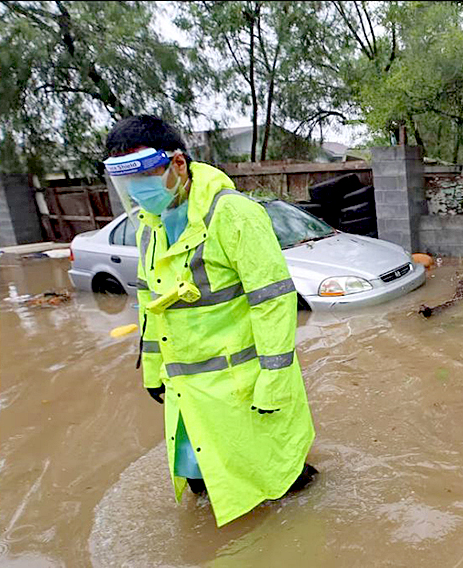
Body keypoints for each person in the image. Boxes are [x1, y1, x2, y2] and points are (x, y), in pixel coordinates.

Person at [103, 115, 317, 527]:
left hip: (244, 387)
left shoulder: (233, 214)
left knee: (282, 483)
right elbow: (151, 307)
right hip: (188, 392)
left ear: (178, 164)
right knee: (204, 485)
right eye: (128, 181)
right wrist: (152, 371)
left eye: (145, 175)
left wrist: (274, 381)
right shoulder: (150, 228)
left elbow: (272, 300)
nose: (138, 191)